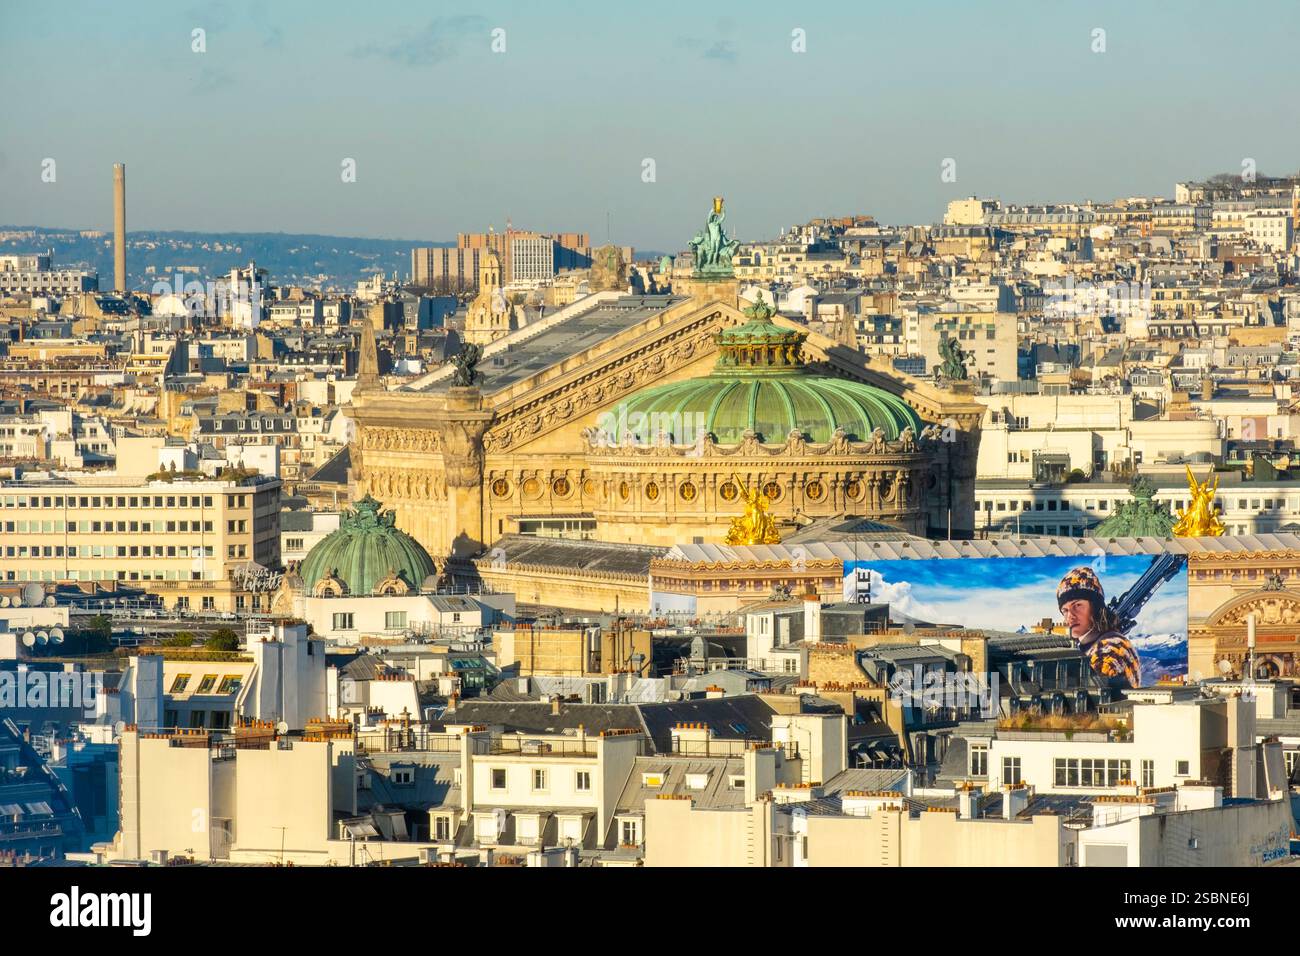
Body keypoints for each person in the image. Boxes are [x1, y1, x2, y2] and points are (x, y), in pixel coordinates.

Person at [1056, 567, 1141, 689]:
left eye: (1078, 605)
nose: (1070, 616)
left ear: (1096, 608)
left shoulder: (1110, 650)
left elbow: (1093, 696)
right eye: (1065, 610)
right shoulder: (1088, 644)